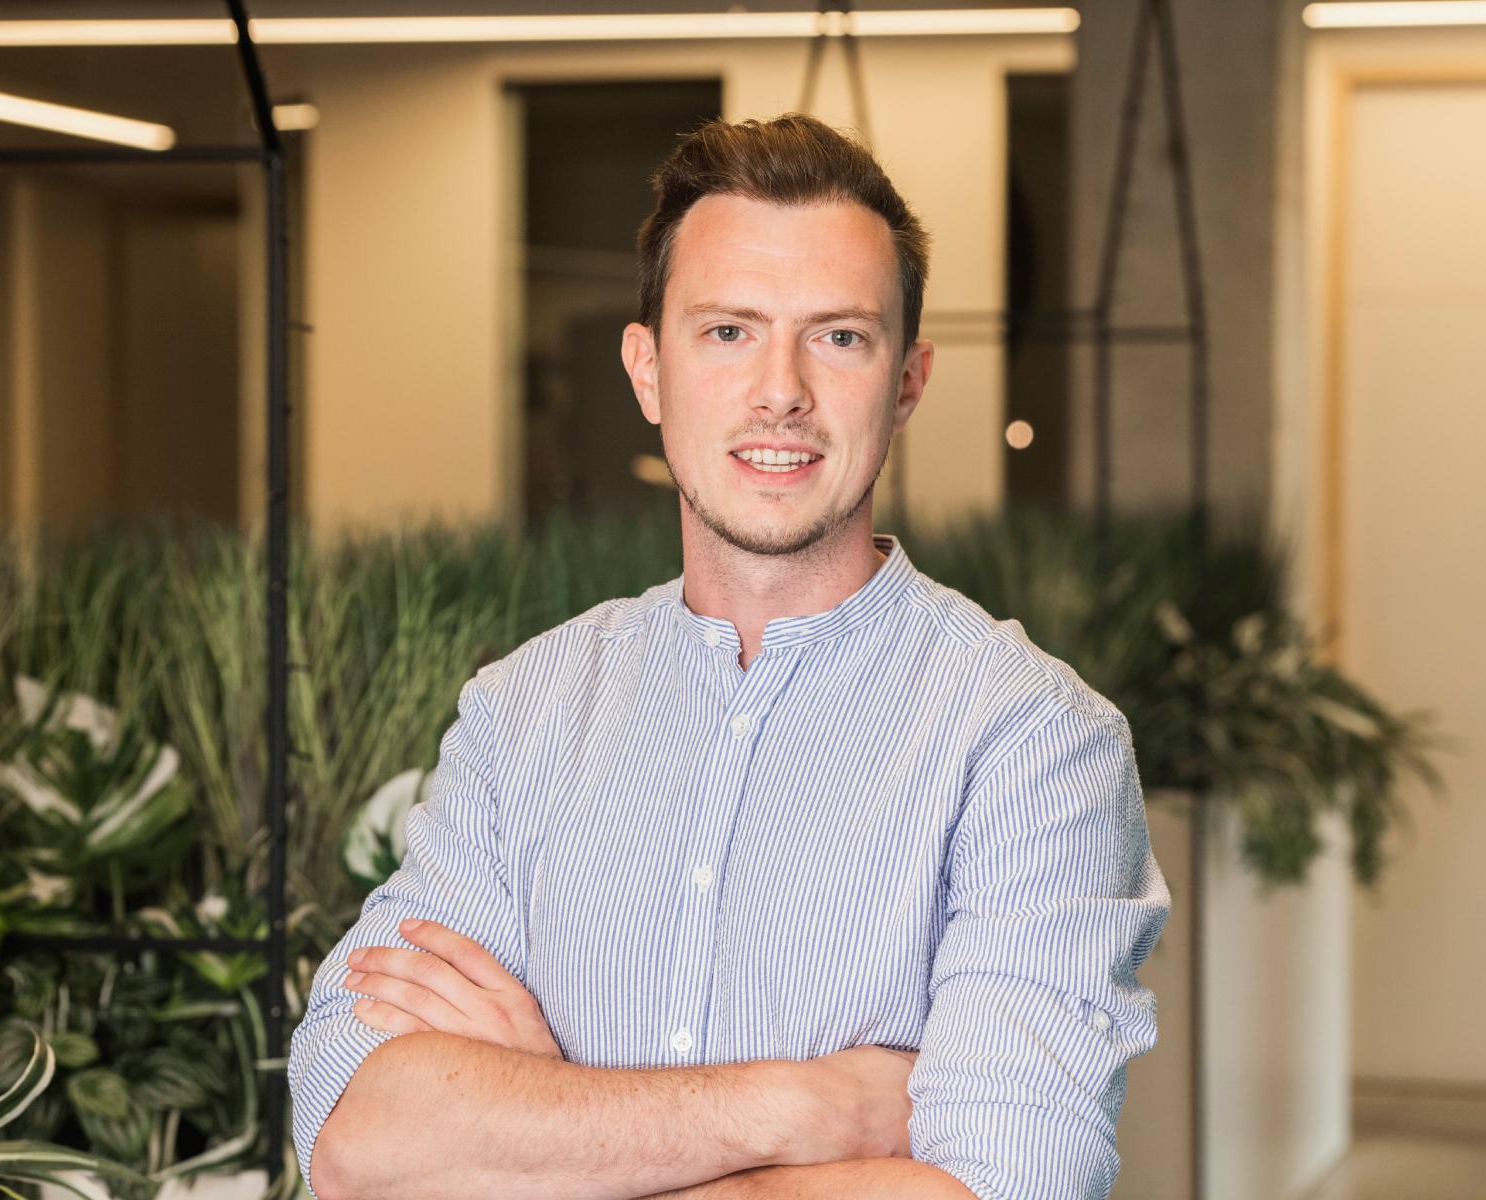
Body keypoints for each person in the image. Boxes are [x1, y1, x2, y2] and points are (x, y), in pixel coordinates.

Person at [288, 112, 1169, 1200]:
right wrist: (806, 1110)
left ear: (907, 381)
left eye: (838, 336)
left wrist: (546, 1130)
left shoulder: (1034, 742)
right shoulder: (524, 714)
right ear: (647, 370)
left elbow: (1007, 1187)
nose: (781, 391)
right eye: (727, 332)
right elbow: (355, 1138)